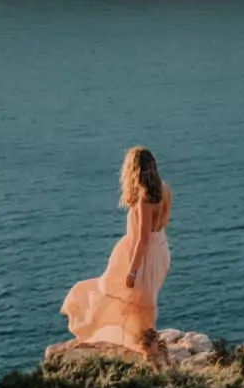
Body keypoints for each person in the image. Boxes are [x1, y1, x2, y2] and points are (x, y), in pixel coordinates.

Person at [60, 146, 172, 358]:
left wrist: (132, 271)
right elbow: (162, 224)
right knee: (140, 303)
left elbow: (143, 239)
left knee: (128, 300)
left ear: (132, 170)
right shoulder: (165, 189)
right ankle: (149, 348)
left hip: (142, 257)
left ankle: (149, 352)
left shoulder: (143, 201)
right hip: (161, 252)